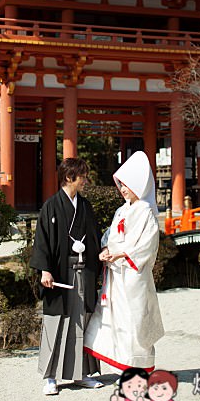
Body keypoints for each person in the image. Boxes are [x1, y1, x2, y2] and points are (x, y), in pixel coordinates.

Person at [84, 150, 164, 372]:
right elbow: (110, 235)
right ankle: (122, 365)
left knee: (135, 317)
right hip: (116, 275)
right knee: (115, 317)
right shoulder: (121, 210)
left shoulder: (146, 211)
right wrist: (105, 249)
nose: (123, 189)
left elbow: (147, 244)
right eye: (121, 185)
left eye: (127, 185)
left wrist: (122, 254)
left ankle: (140, 364)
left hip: (133, 274)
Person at [30, 157, 103, 395]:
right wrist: (45, 269)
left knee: (82, 320)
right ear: (69, 177)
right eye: (81, 176)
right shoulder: (51, 206)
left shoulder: (85, 206)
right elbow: (41, 240)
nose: (85, 180)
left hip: (83, 272)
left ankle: (81, 374)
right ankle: (50, 376)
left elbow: (95, 237)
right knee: (56, 322)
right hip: (60, 273)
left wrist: (103, 254)